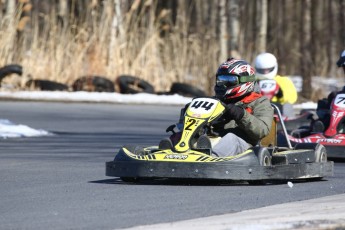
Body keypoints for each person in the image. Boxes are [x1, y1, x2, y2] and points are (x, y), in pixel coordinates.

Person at [161, 58, 274, 157]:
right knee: (185, 136)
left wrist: (241, 115)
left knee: (231, 138)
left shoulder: (260, 102)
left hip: (245, 145)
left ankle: (210, 158)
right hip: (212, 140)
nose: (223, 84)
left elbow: (262, 130)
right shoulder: (216, 101)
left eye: (229, 80)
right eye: (221, 80)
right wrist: (189, 115)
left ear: (246, 81)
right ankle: (171, 152)